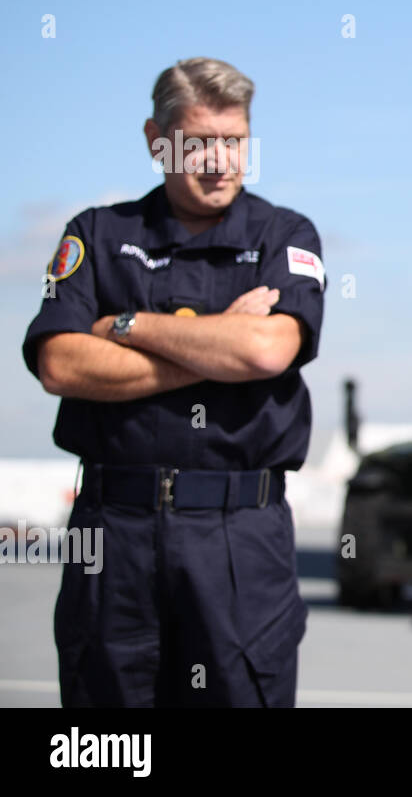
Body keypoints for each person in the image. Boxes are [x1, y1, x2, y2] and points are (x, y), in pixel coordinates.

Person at [23, 57, 326, 707]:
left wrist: (125, 324)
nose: (219, 161)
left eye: (235, 142)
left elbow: (268, 348)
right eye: (199, 144)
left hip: (237, 542)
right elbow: (59, 364)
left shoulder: (284, 236)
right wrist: (219, 343)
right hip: (112, 537)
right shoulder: (98, 236)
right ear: (156, 141)